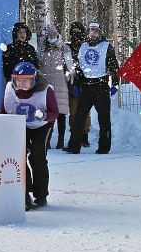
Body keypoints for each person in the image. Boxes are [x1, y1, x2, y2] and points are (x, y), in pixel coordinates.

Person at [1, 62, 59, 211]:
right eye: (18, 80)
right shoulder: (10, 90)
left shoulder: (46, 90)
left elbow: (55, 112)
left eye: (25, 80)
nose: (21, 84)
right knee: (19, 158)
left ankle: (41, 195)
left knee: (37, 157)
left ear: (34, 79)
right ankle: (24, 194)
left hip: (42, 126)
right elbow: (5, 110)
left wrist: (44, 115)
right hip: (21, 125)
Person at [63, 21, 119, 154]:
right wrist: (76, 84)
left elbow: (114, 67)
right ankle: (74, 146)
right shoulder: (83, 47)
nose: (93, 33)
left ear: (100, 32)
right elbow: (79, 68)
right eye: (91, 30)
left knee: (104, 119)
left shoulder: (107, 46)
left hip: (101, 86)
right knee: (79, 117)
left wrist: (115, 84)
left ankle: (104, 147)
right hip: (86, 87)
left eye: (96, 31)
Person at [38, 24, 74, 149]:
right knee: (48, 113)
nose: (51, 35)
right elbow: (39, 65)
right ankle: (46, 140)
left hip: (60, 83)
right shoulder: (42, 48)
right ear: (46, 35)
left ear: (57, 34)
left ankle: (60, 140)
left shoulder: (64, 48)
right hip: (46, 84)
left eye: (53, 33)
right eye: (49, 34)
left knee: (61, 113)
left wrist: (70, 78)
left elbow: (69, 65)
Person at [66, 22, 92, 147]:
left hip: (86, 82)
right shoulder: (68, 47)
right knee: (74, 111)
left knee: (86, 111)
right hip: (72, 82)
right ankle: (74, 134)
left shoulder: (86, 46)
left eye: (78, 31)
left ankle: (85, 135)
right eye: (74, 31)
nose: (76, 34)